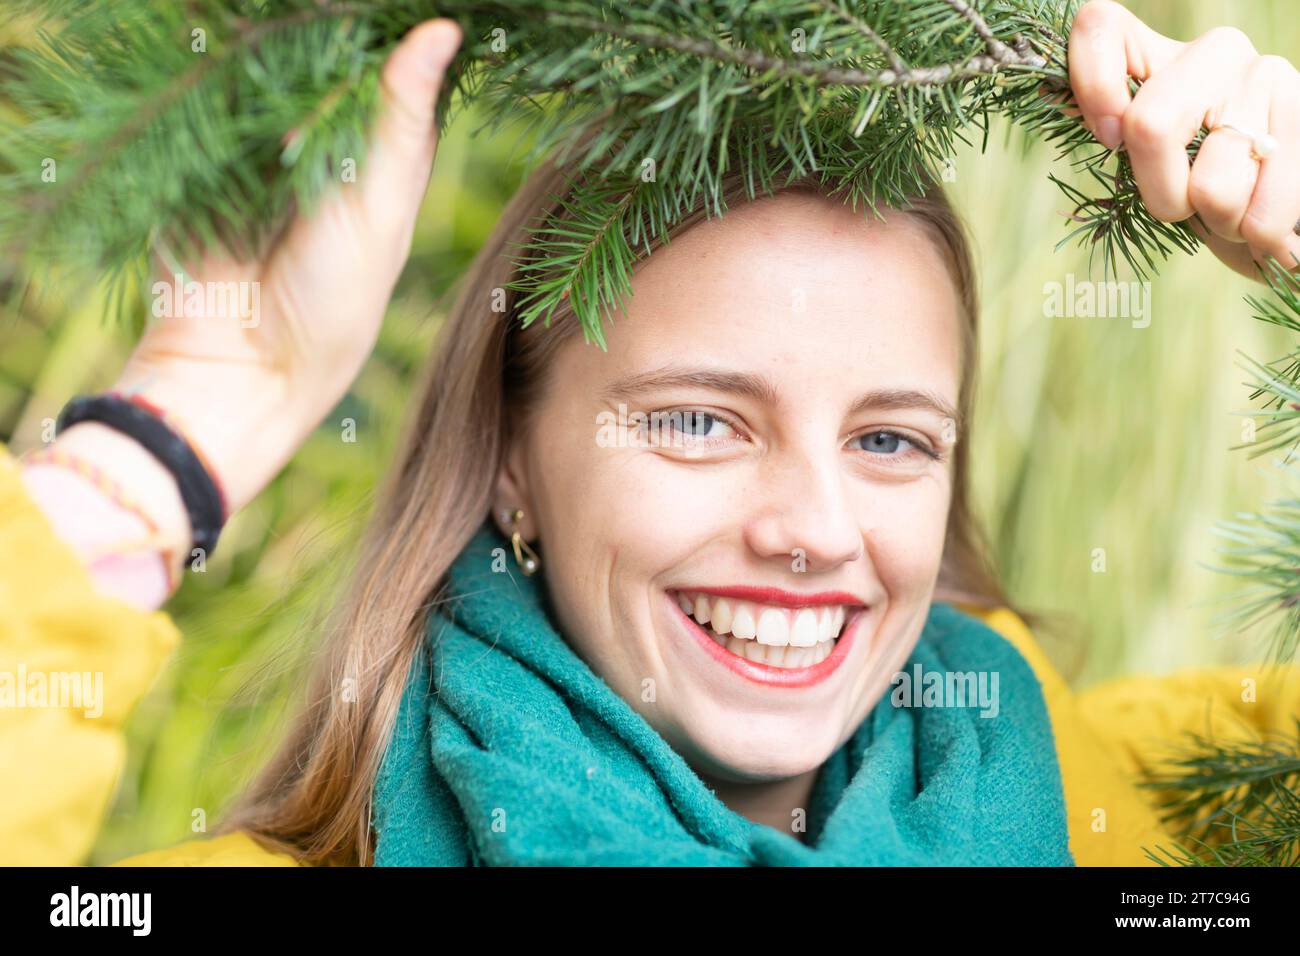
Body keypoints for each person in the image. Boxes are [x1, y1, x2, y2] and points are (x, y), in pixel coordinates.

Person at [3, 0, 1299, 866]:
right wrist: (172, 435)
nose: (810, 530)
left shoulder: (1148, 821)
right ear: (513, 457)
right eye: (698, 420)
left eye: (891, 441)